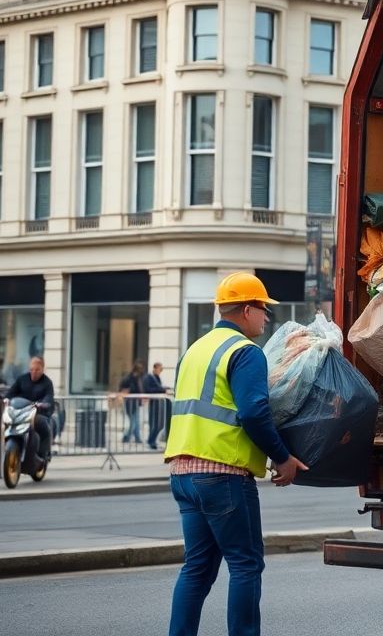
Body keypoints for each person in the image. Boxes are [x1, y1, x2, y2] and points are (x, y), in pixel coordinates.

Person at [165, 271, 309, 636]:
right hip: (223, 474)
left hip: (183, 473)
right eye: (264, 309)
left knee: (196, 568)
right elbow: (253, 413)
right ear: (247, 310)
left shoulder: (194, 350)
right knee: (246, 566)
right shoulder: (245, 353)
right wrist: (282, 458)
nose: (266, 317)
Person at [5, 356, 55, 461]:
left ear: (42, 369)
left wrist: (43, 404)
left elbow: (49, 398)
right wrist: (6, 399)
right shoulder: (22, 379)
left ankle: (43, 454)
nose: (34, 372)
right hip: (20, 412)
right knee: (7, 422)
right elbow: (11, 392)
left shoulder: (47, 383)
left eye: (37, 370)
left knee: (43, 425)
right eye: (32, 369)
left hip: (38, 413)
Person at [119, 361, 150, 444]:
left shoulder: (137, 379)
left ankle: (137, 438)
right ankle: (126, 437)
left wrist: (142, 397)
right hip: (129, 403)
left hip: (136, 402)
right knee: (133, 422)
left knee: (136, 421)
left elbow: (139, 390)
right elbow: (123, 389)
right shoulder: (128, 378)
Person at [145, 362, 170, 449]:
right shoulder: (149, 377)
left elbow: (158, 387)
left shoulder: (157, 377)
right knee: (155, 424)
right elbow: (148, 389)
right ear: (155, 368)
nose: (161, 371)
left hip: (159, 402)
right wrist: (162, 390)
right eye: (160, 369)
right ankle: (151, 441)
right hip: (154, 403)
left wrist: (163, 389)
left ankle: (151, 440)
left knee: (160, 424)